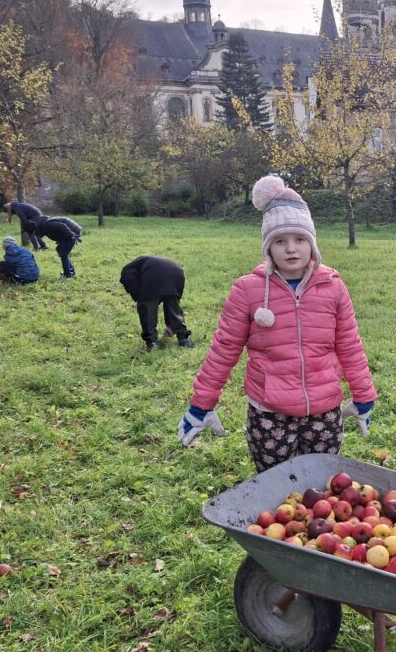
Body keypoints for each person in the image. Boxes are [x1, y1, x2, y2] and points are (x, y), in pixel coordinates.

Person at [177, 175, 377, 473]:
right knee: (275, 483)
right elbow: (224, 350)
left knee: (323, 484)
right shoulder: (248, 290)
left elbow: (350, 345)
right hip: (269, 413)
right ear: (268, 247)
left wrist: (364, 396)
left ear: (312, 244)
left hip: (324, 412)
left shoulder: (333, 287)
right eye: (280, 241)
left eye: (300, 240)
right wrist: (201, 404)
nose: (291, 249)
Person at [119, 256, 194, 352]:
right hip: (177, 272)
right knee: (173, 307)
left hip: (154, 276)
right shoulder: (144, 262)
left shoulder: (127, 271)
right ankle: (183, 339)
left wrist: (138, 296)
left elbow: (129, 281)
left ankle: (152, 342)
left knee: (147, 311)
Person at [23, 214, 83, 278]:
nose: (35, 236)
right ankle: (70, 270)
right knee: (59, 249)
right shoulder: (41, 226)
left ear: (34, 230)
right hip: (68, 232)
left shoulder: (46, 226)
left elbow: (62, 226)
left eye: (33, 234)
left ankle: (67, 275)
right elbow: (57, 230)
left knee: (64, 254)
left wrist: (72, 235)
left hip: (72, 231)